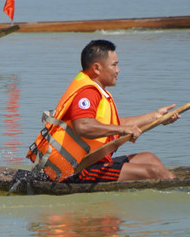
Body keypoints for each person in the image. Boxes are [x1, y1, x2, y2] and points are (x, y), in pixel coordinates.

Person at [27, 39, 180, 183]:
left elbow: (115, 124)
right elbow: (83, 126)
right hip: (74, 171)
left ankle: (174, 184)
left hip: (88, 162)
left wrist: (156, 117)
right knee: (152, 170)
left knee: (149, 158)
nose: (118, 70)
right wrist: (123, 129)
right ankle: (181, 194)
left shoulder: (98, 91)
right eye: (114, 65)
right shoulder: (88, 92)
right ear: (97, 68)